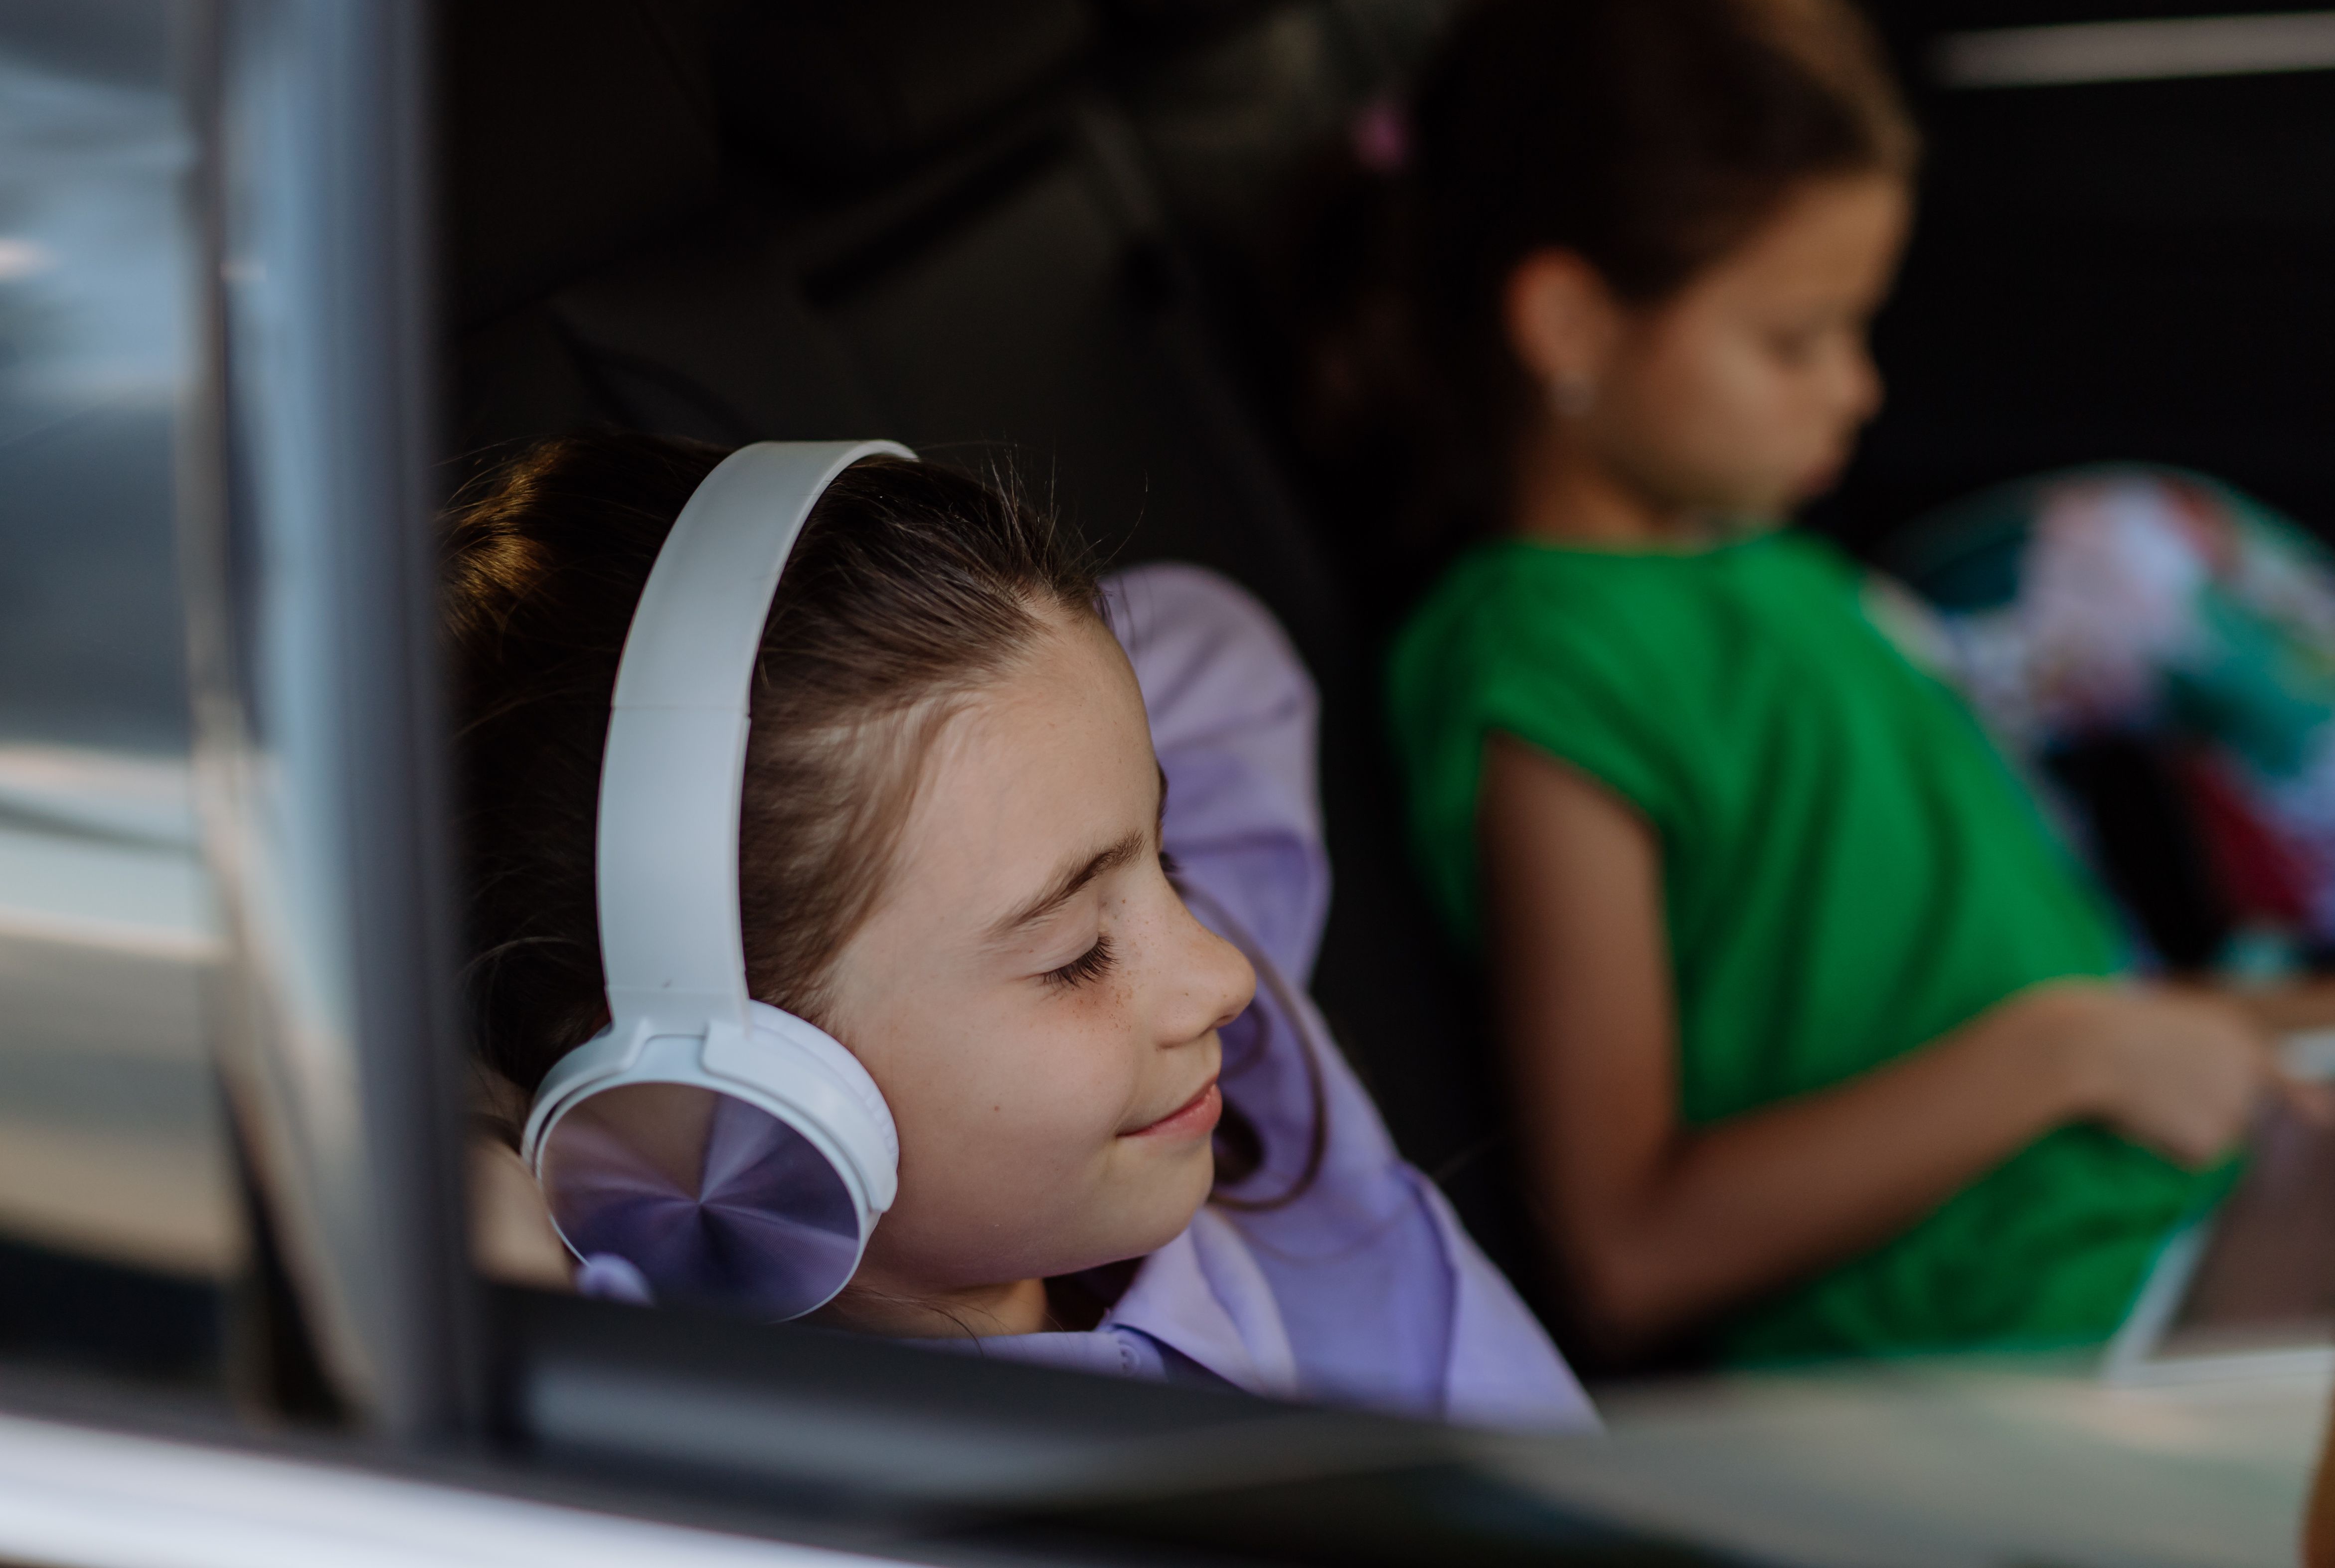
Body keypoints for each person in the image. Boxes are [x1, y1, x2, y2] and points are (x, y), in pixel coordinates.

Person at [1301, 0, 2335, 1365]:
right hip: (2019, 1346)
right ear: (1572, 320)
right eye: (1796, 339)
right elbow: (1629, 1246)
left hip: (2177, 1225)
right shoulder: (1546, 673)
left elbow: (2089, 1019)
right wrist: (2059, 1054)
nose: (1854, 390)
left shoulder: (1771, 578)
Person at [445, 434, 1596, 1432]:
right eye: (1077, 953)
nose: (1225, 973)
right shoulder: (739, 1471)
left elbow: (1215, 647)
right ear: (729, 1099)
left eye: (1171, 851)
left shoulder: (1241, 1109)